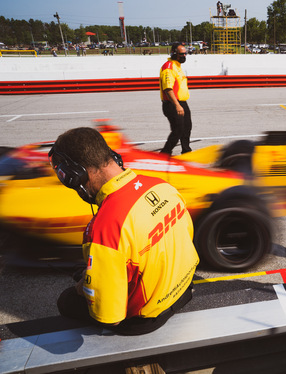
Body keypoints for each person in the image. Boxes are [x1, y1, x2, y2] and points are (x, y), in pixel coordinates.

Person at [49, 127, 199, 335]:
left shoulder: (105, 229)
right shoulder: (162, 186)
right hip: (184, 291)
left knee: (67, 300)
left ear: (77, 175)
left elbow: (111, 319)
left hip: (147, 318)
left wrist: (82, 288)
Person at [159, 42, 193, 155]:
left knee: (187, 127)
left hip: (182, 103)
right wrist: (177, 105)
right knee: (178, 130)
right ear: (174, 53)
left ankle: (186, 151)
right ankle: (165, 153)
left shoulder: (177, 66)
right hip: (172, 104)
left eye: (185, 54)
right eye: (181, 54)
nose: (184, 56)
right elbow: (168, 88)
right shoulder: (168, 67)